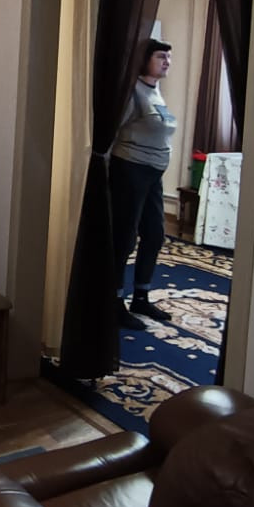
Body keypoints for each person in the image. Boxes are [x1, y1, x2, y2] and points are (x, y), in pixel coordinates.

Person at [111, 38, 176, 327]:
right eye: (161, 56)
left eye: (169, 57)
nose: (167, 62)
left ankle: (141, 297)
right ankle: (114, 302)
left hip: (153, 175)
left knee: (154, 234)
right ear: (145, 59)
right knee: (125, 239)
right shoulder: (133, 91)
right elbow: (112, 130)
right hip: (131, 170)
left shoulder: (155, 91)